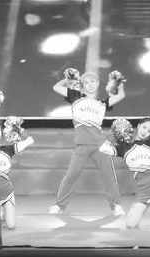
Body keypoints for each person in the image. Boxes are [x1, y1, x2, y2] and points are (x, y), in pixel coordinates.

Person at [49, 70, 125, 215]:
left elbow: (121, 95)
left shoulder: (102, 103)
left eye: (92, 81)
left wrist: (119, 83)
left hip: (101, 146)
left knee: (109, 176)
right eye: (86, 82)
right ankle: (59, 205)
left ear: (98, 83)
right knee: (71, 176)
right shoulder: (75, 96)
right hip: (81, 145)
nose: (90, 84)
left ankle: (116, 205)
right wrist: (68, 79)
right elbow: (56, 87)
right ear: (82, 85)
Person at [100, 118, 150, 229]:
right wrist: (114, 136)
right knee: (130, 225)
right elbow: (103, 149)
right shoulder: (124, 147)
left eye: (149, 131)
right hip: (144, 190)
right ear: (138, 126)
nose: (145, 132)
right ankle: (135, 208)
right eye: (144, 127)